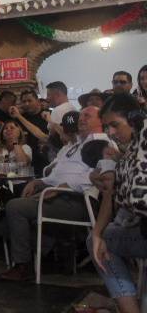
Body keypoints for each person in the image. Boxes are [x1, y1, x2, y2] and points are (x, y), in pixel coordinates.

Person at [0, 107, 110, 281]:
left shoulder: (103, 143)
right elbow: (55, 174)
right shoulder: (75, 145)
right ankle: (50, 250)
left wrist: (64, 187)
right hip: (55, 193)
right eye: (81, 115)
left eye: (87, 116)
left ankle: (24, 265)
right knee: (4, 222)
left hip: (77, 200)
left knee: (15, 207)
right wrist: (40, 182)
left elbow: (101, 176)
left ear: (101, 120)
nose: (81, 119)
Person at [88, 93, 147, 313]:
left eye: (115, 125)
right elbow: (111, 195)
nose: (110, 133)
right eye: (107, 127)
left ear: (134, 118)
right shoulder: (128, 153)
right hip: (141, 233)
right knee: (101, 241)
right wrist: (97, 235)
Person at [9, 90, 49, 175]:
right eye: (24, 101)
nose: (26, 104)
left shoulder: (47, 116)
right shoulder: (19, 118)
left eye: (29, 101)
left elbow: (46, 138)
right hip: (25, 161)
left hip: (45, 161)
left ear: (37, 101)